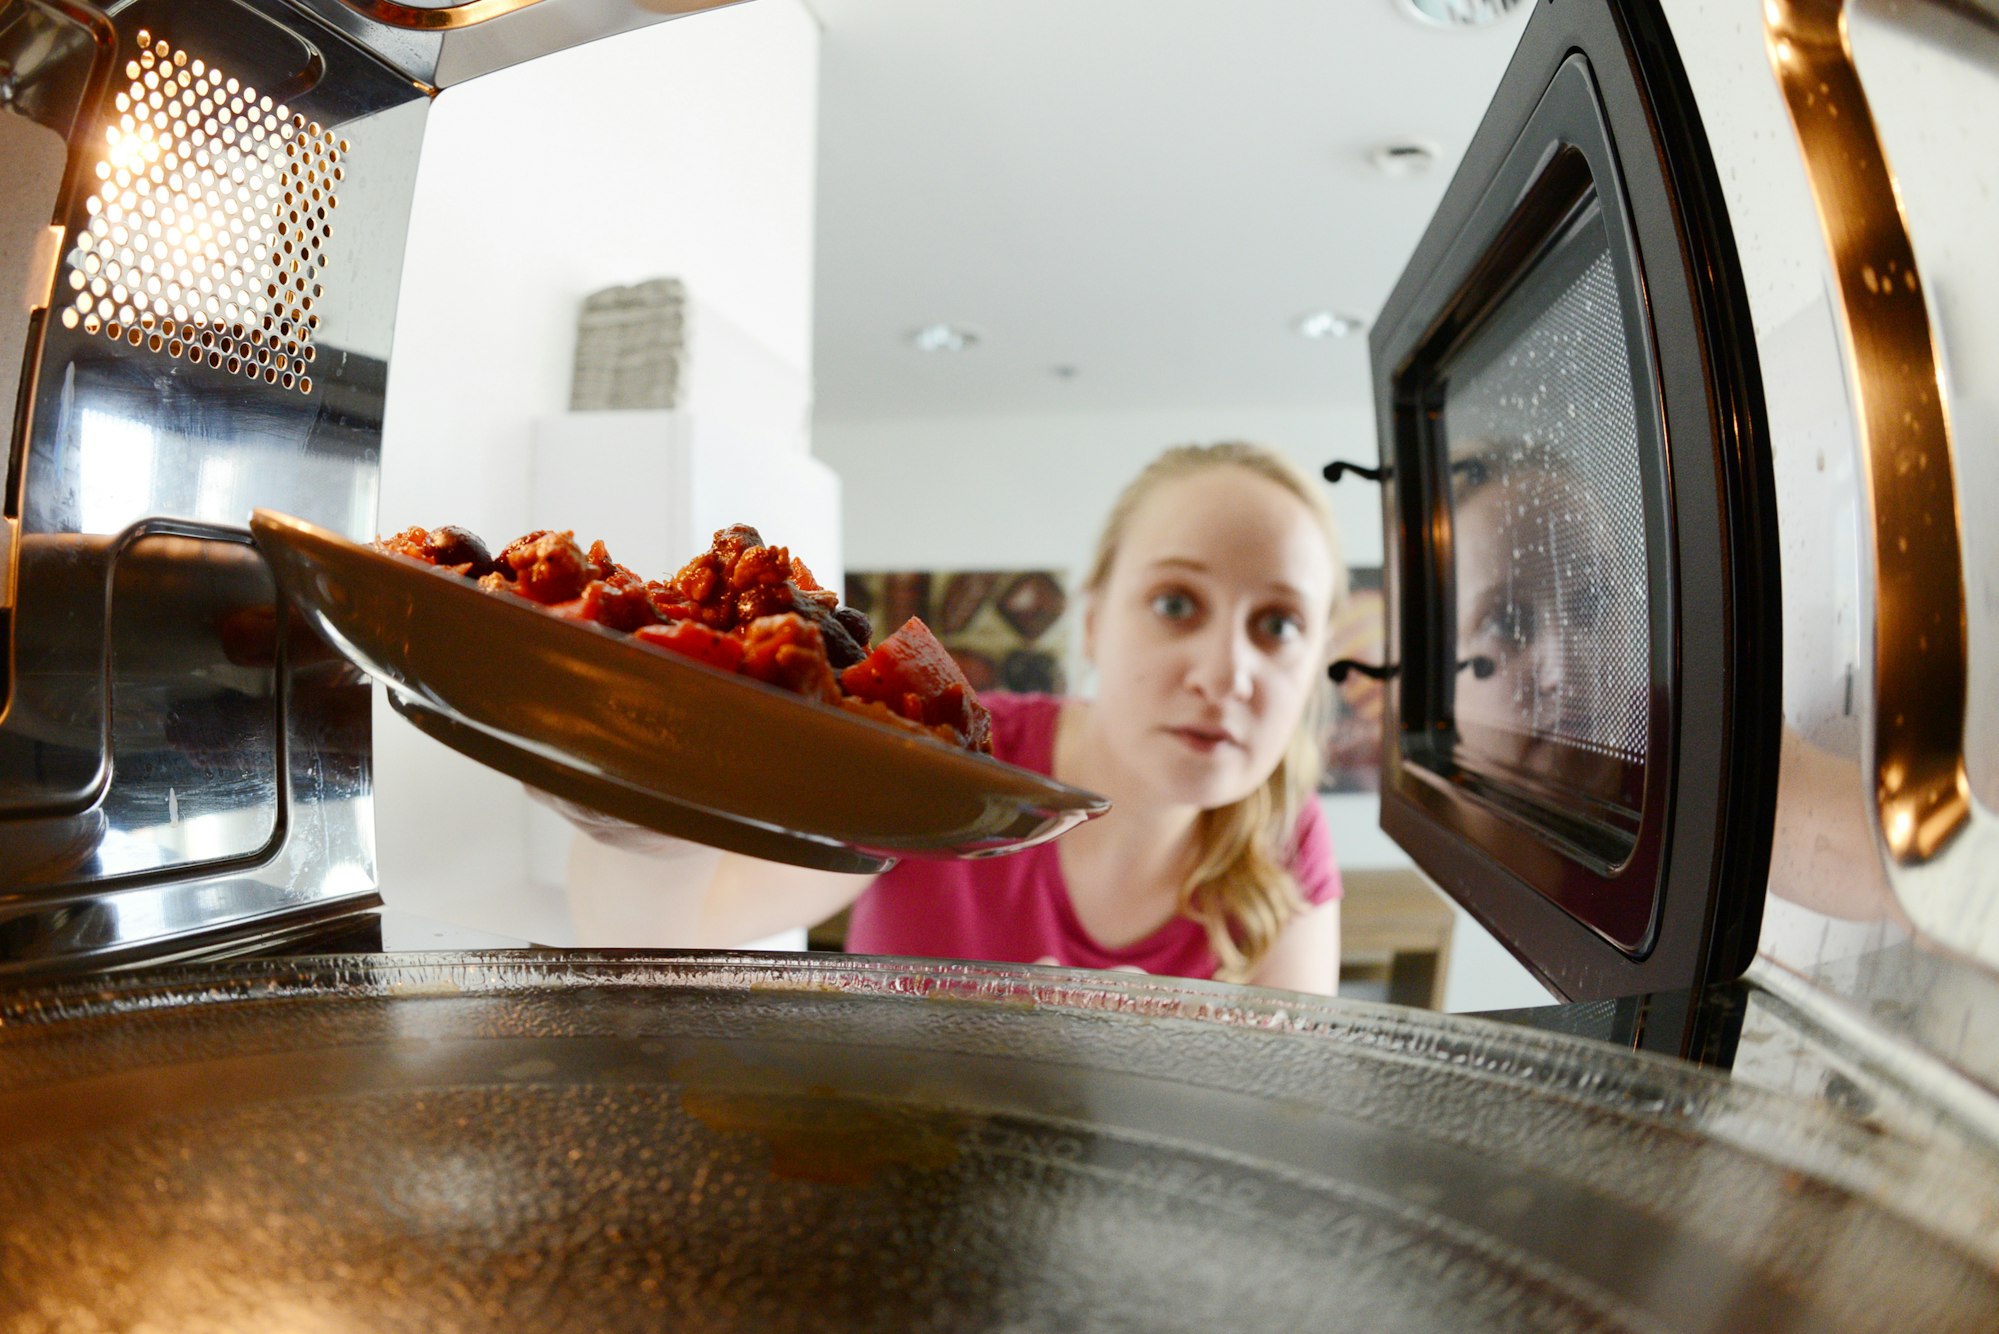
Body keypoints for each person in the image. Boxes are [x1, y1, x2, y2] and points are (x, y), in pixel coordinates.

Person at [559, 441, 1350, 993]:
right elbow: (677, 933)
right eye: (1175, 604)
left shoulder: (1287, 831)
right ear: (1092, 619)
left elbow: (1289, 1108)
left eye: (1279, 624)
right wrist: (630, 815)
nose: (1224, 675)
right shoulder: (948, 752)